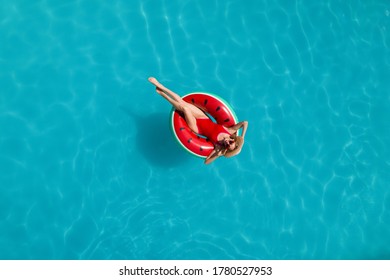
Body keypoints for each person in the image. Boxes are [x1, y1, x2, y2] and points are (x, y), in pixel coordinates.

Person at [148, 77, 248, 164]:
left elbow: (206, 162)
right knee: (182, 103)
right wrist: (242, 137)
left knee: (185, 109)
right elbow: (245, 123)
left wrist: (218, 154)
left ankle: (163, 95)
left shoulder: (218, 147)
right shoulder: (229, 131)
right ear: (233, 140)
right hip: (203, 118)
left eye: (227, 145)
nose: (227, 142)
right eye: (230, 142)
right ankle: (160, 86)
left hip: (197, 127)